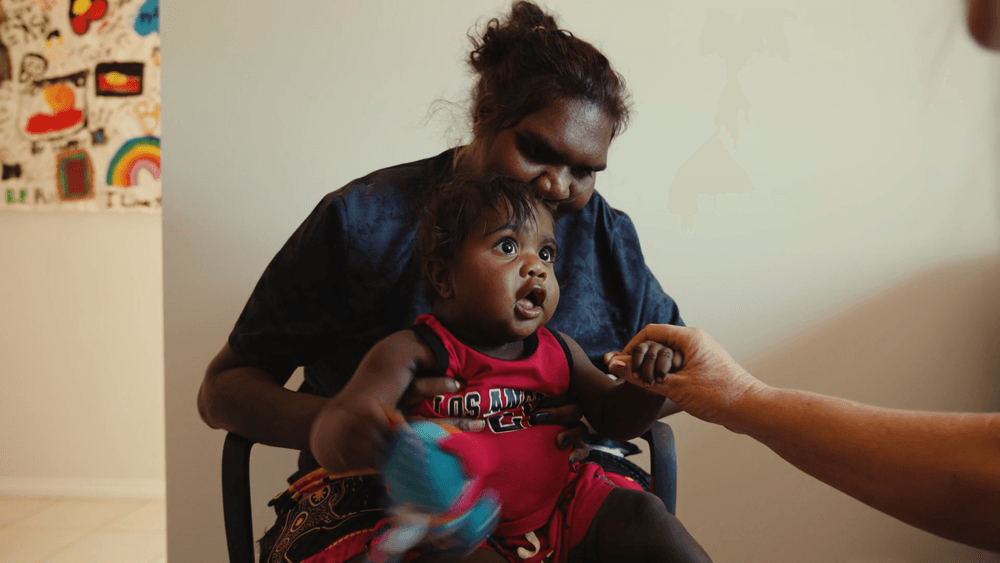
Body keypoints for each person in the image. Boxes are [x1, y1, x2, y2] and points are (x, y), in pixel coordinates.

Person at [197, 3, 684, 562]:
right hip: (388, 491)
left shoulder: (604, 234)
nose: (557, 186)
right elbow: (221, 391)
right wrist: (366, 428)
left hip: (562, 482)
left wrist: (585, 400)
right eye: (537, 151)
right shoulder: (363, 221)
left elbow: (683, 378)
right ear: (485, 116)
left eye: (584, 170)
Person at [600, 4, 1000, 553]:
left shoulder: (609, 231)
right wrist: (742, 396)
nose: (976, 30)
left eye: (584, 171)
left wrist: (726, 394)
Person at [310, 174, 710, 563]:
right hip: (461, 528)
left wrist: (645, 383)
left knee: (645, 515)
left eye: (546, 254)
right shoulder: (413, 350)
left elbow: (613, 419)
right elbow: (334, 427)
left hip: (566, 505)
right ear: (444, 278)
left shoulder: (560, 349)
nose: (537, 267)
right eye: (507, 246)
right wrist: (357, 432)